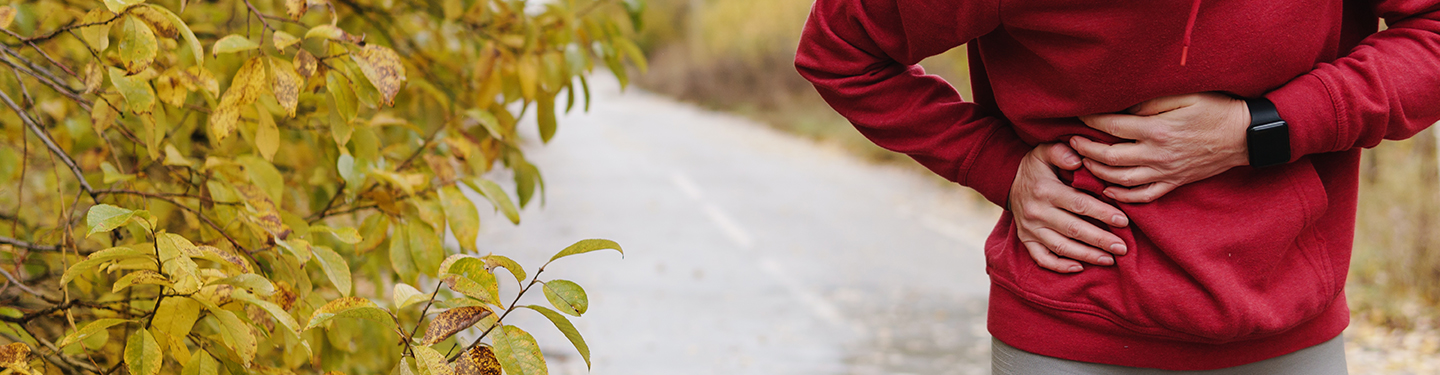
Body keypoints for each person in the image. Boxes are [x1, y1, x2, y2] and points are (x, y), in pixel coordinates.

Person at [795, 0, 1440, 373]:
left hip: (1288, 325)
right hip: (1072, 330)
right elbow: (840, 51)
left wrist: (1261, 129)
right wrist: (993, 164)